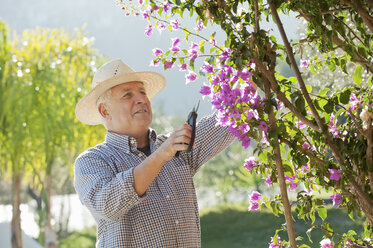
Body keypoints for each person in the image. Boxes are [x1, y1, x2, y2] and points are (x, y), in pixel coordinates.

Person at [74, 58, 235, 247]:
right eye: (127, 95)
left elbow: (229, 118)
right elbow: (108, 205)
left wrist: (249, 77)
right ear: (104, 111)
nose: (142, 99)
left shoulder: (176, 147)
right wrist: (161, 155)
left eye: (142, 92)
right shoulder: (92, 161)